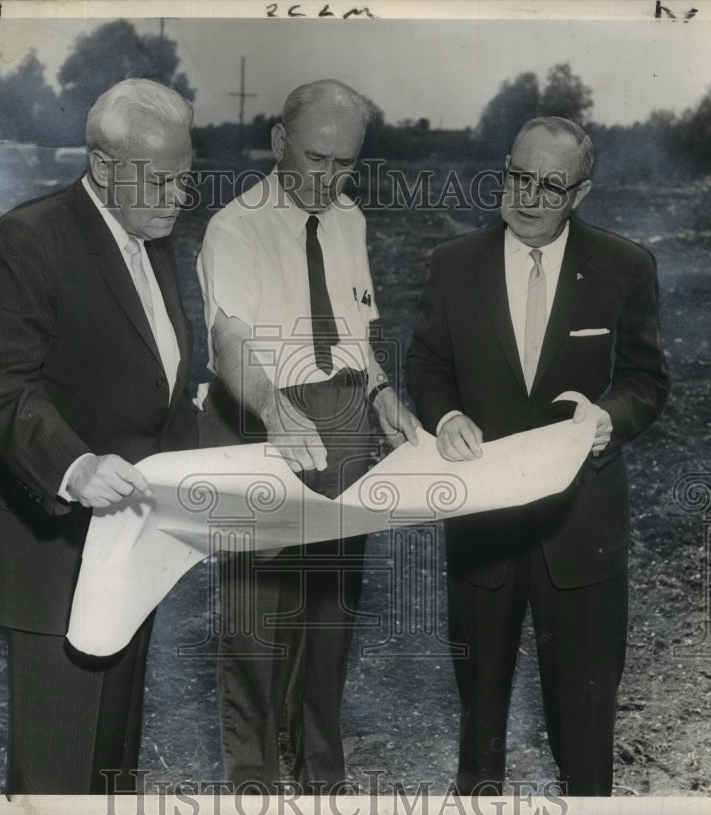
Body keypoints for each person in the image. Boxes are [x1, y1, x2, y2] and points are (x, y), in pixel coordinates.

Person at [406, 117, 669, 796]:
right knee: (480, 722)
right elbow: (428, 363)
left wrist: (609, 419)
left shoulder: (624, 266)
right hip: (482, 525)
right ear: (504, 167)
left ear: (581, 193)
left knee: (584, 727)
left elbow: (647, 378)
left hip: (581, 529)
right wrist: (447, 414)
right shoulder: (453, 264)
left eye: (551, 186)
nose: (527, 197)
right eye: (518, 177)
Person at [0, 79, 196, 795]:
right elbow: (2, 384)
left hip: (131, 551)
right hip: (55, 556)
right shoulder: (30, 238)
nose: (177, 196)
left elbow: (156, 386)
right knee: (56, 782)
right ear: (102, 165)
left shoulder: (149, 236)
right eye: (159, 179)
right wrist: (76, 463)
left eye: (184, 177)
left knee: (111, 770)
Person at [197, 78, 420, 790]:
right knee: (256, 626)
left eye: (346, 164)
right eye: (318, 160)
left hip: (346, 425)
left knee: (329, 612)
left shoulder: (350, 220)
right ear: (278, 143)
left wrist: (382, 393)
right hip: (264, 421)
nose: (331, 179)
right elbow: (230, 335)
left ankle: (322, 771)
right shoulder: (236, 227)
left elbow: (357, 330)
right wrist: (272, 404)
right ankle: (254, 782)